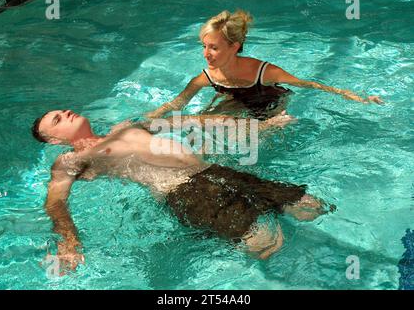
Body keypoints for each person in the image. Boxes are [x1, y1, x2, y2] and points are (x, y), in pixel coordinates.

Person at [31, 109, 330, 273]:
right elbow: (56, 202)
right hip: (185, 192)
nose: (66, 112)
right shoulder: (72, 160)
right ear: (55, 141)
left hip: (215, 173)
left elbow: (190, 120)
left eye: (62, 111)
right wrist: (69, 242)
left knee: (309, 207)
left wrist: (258, 128)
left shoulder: (123, 125)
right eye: (57, 119)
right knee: (266, 244)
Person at [146, 10, 383, 120]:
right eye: (204, 46)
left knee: (244, 133)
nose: (206, 54)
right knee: (203, 120)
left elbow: (309, 84)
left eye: (214, 47)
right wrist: (153, 115)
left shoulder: (264, 72)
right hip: (236, 100)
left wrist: (356, 97)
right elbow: (179, 102)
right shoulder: (208, 76)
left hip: (270, 102)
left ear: (235, 46)